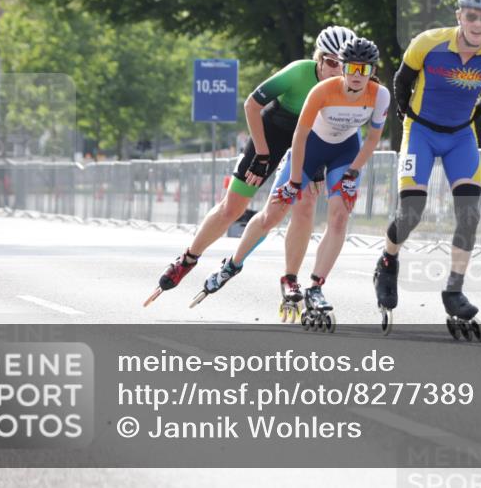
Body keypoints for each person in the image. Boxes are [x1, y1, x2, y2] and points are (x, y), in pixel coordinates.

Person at [144, 26, 357, 306]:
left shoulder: (347, 86)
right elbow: (251, 105)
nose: (337, 70)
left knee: (305, 206)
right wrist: (262, 153)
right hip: (272, 131)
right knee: (233, 208)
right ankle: (188, 258)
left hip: (308, 139)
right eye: (331, 62)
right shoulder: (297, 72)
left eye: (345, 66)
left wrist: (319, 167)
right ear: (319, 59)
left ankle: (290, 278)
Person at [197, 38, 389, 326]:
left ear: (372, 70)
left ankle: (315, 287)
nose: (357, 75)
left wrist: (353, 172)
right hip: (309, 149)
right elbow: (299, 137)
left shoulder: (380, 95)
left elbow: (373, 138)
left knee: (339, 217)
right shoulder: (322, 90)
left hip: (345, 153)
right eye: (351, 67)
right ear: (345, 68)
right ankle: (233, 263)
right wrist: (296, 180)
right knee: (273, 214)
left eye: (365, 69)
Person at [373, 0, 481, 332]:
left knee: (469, 214)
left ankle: (454, 290)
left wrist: (463, 121)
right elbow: (401, 83)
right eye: (471, 15)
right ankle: (388, 261)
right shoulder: (428, 43)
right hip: (419, 132)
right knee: (411, 213)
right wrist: (408, 117)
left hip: (460, 137)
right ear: (459, 15)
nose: (477, 23)